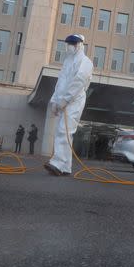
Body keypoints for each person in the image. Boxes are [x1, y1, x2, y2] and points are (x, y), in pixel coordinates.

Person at [44, 34, 94, 176]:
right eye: (68, 43)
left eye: (72, 43)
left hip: (75, 100)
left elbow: (79, 81)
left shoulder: (86, 62)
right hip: (63, 101)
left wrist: (66, 99)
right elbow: (60, 82)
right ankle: (65, 167)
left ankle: (57, 163)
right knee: (64, 132)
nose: (70, 46)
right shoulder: (67, 62)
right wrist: (54, 101)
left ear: (80, 45)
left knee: (63, 131)